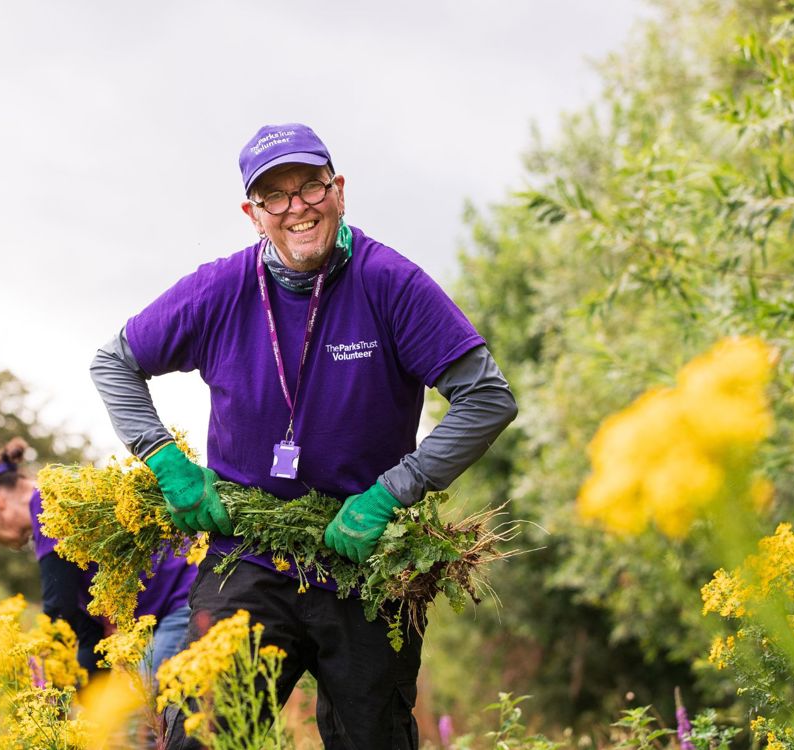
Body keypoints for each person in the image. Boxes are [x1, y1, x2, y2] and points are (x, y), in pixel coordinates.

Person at [90, 122, 518, 749]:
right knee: (202, 738)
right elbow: (113, 362)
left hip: (366, 567)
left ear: (338, 189)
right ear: (252, 212)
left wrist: (391, 494)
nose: (297, 208)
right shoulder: (220, 290)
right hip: (248, 558)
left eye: (311, 186)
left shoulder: (389, 283)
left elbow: (487, 398)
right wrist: (166, 462)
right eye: (275, 197)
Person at [0, 437, 197, 677]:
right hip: (169, 610)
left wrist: (46, 683)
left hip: (182, 598)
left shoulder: (51, 506)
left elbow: (59, 614)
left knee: (150, 707)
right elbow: (87, 626)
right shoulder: (50, 520)